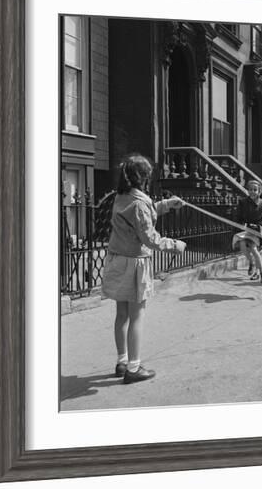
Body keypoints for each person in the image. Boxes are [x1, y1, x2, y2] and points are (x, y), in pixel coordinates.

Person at [102, 154, 186, 384]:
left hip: (117, 259)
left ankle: (122, 362)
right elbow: (149, 237)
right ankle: (134, 368)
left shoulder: (121, 197)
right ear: (143, 177)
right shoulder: (139, 202)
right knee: (137, 315)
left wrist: (167, 205)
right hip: (134, 264)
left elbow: (139, 218)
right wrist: (174, 245)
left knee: (121, 314)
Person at [233, 179, 262, 283]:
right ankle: (251, 262)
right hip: (246, 228)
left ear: (259, 191)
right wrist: (239, 224)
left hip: (257, 229)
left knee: (254, 249)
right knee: (242, 246)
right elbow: (238, 216)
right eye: (250, 189)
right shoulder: (242, 202)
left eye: (255, 190)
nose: (252, 191)